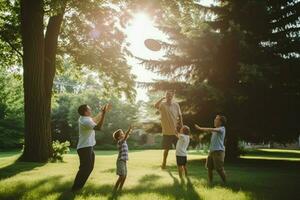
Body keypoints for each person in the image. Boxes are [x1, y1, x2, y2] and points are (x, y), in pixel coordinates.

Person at [71, 103, 112, 192]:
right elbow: (98, 127)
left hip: (87, 147)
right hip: (84, 148)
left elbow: (94, 120)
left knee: (89, 167)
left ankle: (78, 187)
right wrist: (104, 114)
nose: (91, 110)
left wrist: (102, 112)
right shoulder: (85, 121)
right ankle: (75, 188)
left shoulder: (85, 118)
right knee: (85, 168)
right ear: (85, 112)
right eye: (89, 109)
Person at [195, 115, 227, 185]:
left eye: (217, 119)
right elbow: (211, 130)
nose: (215, 120)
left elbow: (211, 129)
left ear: (221, 122)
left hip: (218, 152)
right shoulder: (215, 130)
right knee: (209, 168)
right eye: (215, 119)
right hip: (211, 151)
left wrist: (200, 128)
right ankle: (210, 182)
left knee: (219, 169)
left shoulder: (222, 129)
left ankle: (225, 182)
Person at [155, 90, 183, 169]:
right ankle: (164, 163)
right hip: (166, 132)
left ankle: (180, 165)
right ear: (166, 96)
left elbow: (180, 116)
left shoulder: (176, 105)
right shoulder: (162, 105)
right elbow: (155, 105)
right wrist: (161, 98)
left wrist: (182, 126)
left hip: (175, 132)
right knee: (166, 150)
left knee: (179, 149)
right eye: (167, 96)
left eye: (170, 96)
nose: (169, 97)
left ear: (172, 96)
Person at [112, 125, 133, 193]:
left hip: (124, 161)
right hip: (120, 161)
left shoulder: (124, 141)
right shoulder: (120, 142)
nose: (123, 134)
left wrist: (129, 131)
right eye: (121, 134)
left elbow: (126, 136)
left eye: (123, 133)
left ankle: (120, 189)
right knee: (122, 176)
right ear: (118, 137)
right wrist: (129, 130)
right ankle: (115, 189)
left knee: (125, 176)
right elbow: (126, 136)